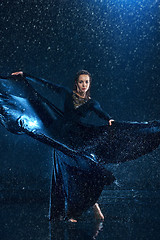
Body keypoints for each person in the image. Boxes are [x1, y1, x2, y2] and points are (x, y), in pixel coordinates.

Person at [11, 70, 115, 222]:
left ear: (89, 84)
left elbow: (101, 112)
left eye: (87, 82)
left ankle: (92, 206)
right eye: (81, 82)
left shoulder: (92, 103)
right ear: (76, 83)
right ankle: (70, 213)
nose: (84, 85)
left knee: (86, 171)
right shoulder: (67, 94)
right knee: (67, 175)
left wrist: (109, 119)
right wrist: (26, 75)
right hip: (62, 138)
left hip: (78, 140)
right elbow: (47, 84)